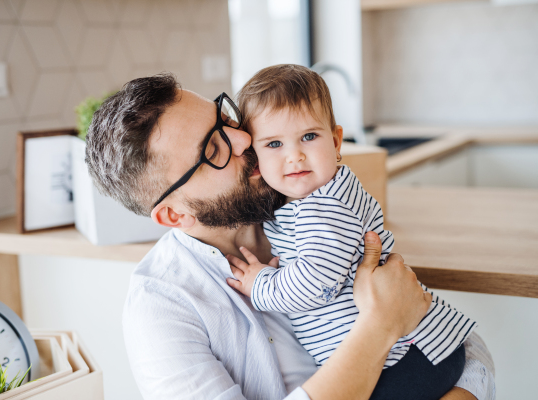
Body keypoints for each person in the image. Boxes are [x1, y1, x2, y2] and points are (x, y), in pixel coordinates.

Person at [84, 73, 495, 400]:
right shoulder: (161, 309)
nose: (245, 139)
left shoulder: (303, 203)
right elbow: (396, 315)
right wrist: (379, 324)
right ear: (174, 213)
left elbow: (459, 347)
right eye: (213, 150)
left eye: (224, 119)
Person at [225, 65, 476, 399]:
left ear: (337, 140)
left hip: (407, 356)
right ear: (255, 160)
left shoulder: (325, 204)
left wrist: (260, 285)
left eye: (309, 137)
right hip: (403, 351)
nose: (295, 155)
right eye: (274, 144)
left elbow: (313, 283)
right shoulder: (304, 200)